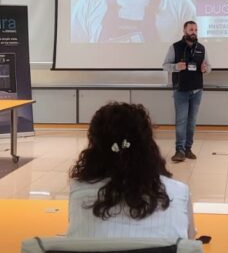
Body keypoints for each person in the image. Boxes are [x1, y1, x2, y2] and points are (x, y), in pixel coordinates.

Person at [68, 102, 195, 239]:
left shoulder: (78, 192)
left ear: (94, 148)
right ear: (148, 146)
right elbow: (190, 240)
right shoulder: (179, 193)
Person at [162, 21, 210, 163]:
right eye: (191, 29)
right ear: (184, 31)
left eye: (195, 29)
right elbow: (165, 65)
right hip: (181, 90)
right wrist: (176, 67)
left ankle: (188, 149)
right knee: (181, 121)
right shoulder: (175, 47)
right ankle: (179, 151)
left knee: (192, 122)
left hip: (197, 90)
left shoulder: (201, 48)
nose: (193, 32)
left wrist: (206, 69)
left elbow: (209, 66)